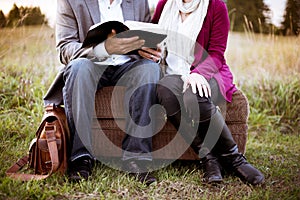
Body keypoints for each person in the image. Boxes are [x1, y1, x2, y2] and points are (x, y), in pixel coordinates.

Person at [140, 0, 264, 185]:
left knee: (194, 94)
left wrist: (198, 74)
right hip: (173, 74)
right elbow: (153, 41)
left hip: (208, 72)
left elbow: (217, 52)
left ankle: (234, 159)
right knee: (165, 91)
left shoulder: (215, 6)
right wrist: (147, 50)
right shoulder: (164, 5)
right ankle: (208, 157)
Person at [43, 0, 160, 185]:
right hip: (90, 64)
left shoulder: (139, 2)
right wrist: (104, 49)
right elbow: (65, 49)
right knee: (78, 68)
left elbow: (146, 39)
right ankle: (81, 158)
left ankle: (137, 158)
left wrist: (149, 49)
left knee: (149, 70)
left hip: (128, 65)